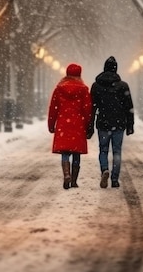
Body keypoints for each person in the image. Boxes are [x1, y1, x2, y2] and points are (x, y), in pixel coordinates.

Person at [87, 56, 134, 188]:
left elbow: (92, 107)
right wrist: (130, 125)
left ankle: (104, 169)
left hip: (103, 122)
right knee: (117, 151)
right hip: (119, 123)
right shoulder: (123, 86)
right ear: (115, 69)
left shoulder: (96, 86)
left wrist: (90, 125)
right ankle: (114, 179)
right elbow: (129, 107)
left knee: (103, 150)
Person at [48, 63, 92, 189]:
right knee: (76, 152)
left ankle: (66, 174)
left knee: (65, 152)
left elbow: (53, 108)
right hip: (78, 123)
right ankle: (74, 180)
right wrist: (88, 124)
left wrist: (51, 124)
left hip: (63, 123)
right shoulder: (83, 89)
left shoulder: (59, 89)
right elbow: (87, 109)